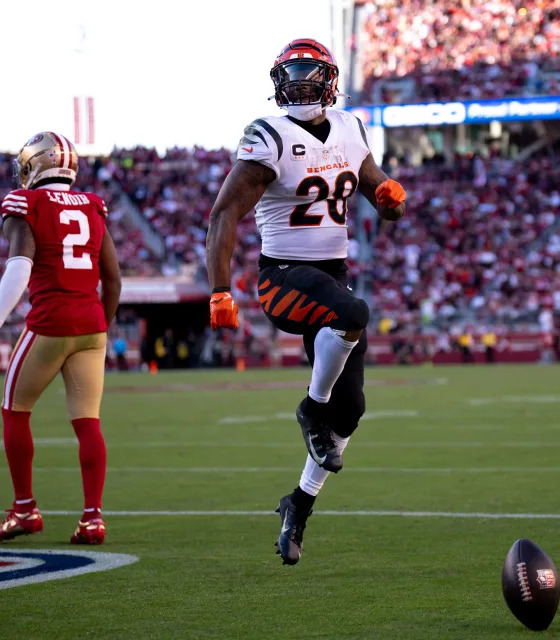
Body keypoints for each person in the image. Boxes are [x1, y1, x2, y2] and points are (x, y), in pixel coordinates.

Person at [205, 39, 406, 566]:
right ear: (277, 81)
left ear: (329, 79)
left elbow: (379, 195)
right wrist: (220, 288)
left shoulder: (349, 128)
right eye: (289, 71)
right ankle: (310, 408)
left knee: (354, 411)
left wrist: (391, 200)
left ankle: (298, 504)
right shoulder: (267, 135)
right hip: (283, 280)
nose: (298, 80)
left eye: (307, 71)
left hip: (331, 277)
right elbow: (224, 213)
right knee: (355, 315)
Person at [0, 132, 122, 545]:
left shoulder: (27, 203)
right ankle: (92, 519)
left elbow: (20, 266)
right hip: (91, 324)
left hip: (49, 322)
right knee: (88, 424)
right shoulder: (93, 206)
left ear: (35, 165)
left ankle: (24, 510)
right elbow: (113, 280)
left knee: (14, 410)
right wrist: (100, 327)